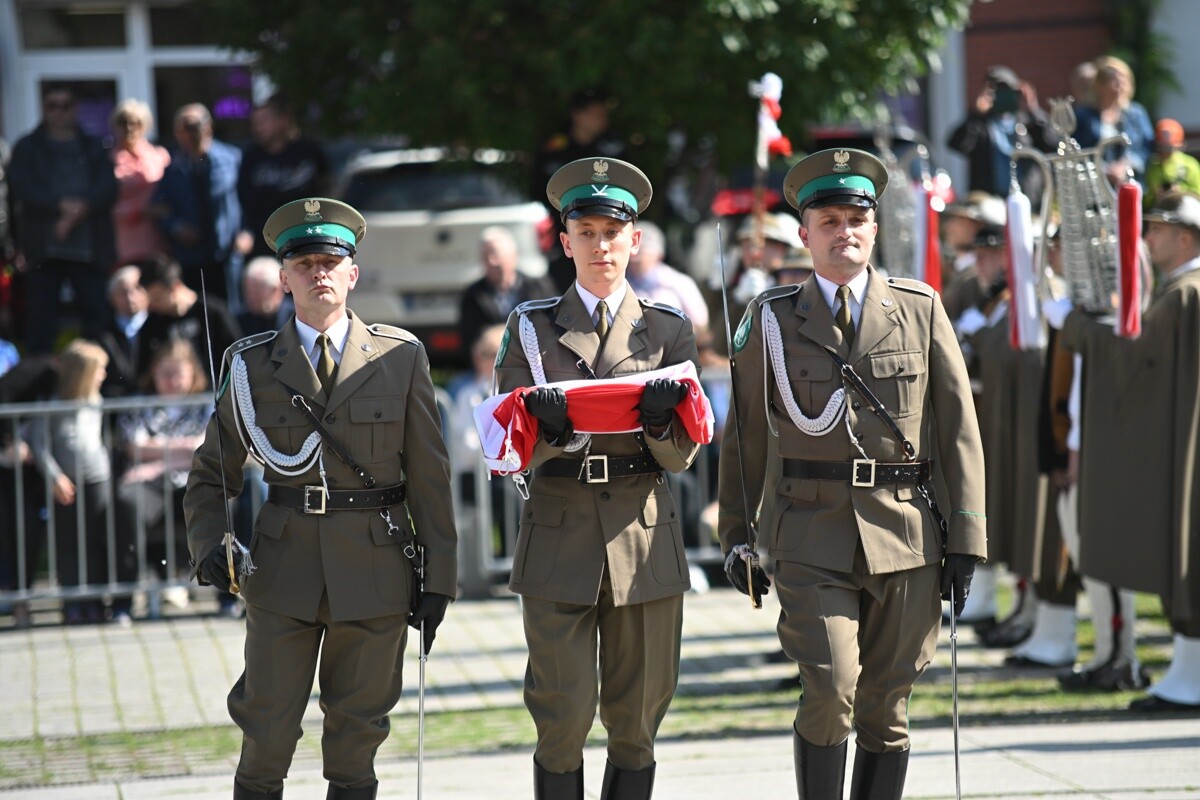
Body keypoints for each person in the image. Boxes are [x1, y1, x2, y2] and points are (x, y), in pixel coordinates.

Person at [716, 148, 986, 799]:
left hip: (905, 532)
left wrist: (967, 539)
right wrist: (735, 535)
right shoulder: (773, 320)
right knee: (831, 689)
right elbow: (745, 436)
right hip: (808, 532)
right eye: (829, 220)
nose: (844, 233)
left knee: (887, 709)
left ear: (874, 228)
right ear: (805, 233)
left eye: (855, 220)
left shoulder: (918, 309)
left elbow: (957, 430)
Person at [184, 196, 458, 799]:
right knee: (267, 729)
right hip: (284, 568)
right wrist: (209, 543)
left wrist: (440, 578)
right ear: (283, 277)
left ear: (353, 273)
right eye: (304, 263)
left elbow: (430, 479)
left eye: (331, 261)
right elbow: (210, 474)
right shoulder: (251, 365)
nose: (319, 273)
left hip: (376, 562)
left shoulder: (399, 356)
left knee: (357, 740)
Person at [493, 157, 703, 798]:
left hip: (641, 530)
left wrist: (666, 426)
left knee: (638, 718)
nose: (601, 245)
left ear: (634, 240)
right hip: (559, 526)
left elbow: (685, 455)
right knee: (561, 715)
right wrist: (552, 434)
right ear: (565, 242)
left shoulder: (666, 328)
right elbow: (505, 446)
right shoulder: (530, 328)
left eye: (614, 232)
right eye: (586, 232)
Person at [1059, 190, 1200, 712]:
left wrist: (1076, 327)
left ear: (1186, 238)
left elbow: (1134, 356)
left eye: (1158, 229)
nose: (1148, 238)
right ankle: (1187, 668)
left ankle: (1191, 675)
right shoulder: (1180, 290)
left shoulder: (1186, 293)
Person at [9, 83, 118, 354]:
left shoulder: (93, 145)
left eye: (65, 105)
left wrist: (76, 213)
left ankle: (101, 382)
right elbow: (22, 189)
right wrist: (60, 206)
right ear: (44, 110)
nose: (59, 112)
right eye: (53, 106)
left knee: (96, 317)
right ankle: (38, 386)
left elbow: (108, 188)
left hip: (89, 248)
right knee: (40, 320)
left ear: (75, 108)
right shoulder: (27, 146)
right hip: (44, 249)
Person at [113, 339, 212, 620]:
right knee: (126, 501)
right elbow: (133, 446)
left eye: (177, 373)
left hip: (194, 481)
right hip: (150, 488)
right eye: (164, 373)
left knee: (223, 502)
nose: (171, 380)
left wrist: (156, 460)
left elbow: (204, 449)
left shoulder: (205, 404)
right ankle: (124, 600)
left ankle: (228, 594)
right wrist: (184, 447)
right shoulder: (140, 404)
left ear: (192, 373)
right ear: (154, 374)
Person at [28, 340, 111, 625]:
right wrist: (55, 476)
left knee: (95, 540)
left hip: (97, 477)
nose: (103, 375)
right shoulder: (52, 403)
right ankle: (73, 602)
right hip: (66, 481)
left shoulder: (95, 400)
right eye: (99, 370)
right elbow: (40, 443)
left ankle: (96, 600)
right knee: (68, 543)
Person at [531, 89, 630, 291]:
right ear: (578, 115)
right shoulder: (556, 148)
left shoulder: (613, 147)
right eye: (595, 113)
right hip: (566, 229)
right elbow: (539, 189)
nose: (602, 119)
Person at [153, 103, 243, 305]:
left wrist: (245, 232)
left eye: (193, 126)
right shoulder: (173, 169)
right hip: (191, 255)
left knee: (232, 312)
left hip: (227, 253)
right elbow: (156, 208)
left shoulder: (231, 159)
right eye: (182, 128)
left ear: (208, 127)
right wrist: (176, 227)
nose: (189, 133)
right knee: (199, 310)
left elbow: (249, 200)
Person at [946, 65, 1058, 207]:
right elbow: (957, 144)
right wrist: (976, 115)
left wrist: (1034, 110)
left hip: (1027, 202)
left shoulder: (1028, 122)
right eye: (995, 91)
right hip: (989, 205)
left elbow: (1052, 144)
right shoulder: (980, 125)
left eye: (1006, 90)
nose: (1000, 95)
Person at [235, 93, 331, 260]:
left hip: (305, 238)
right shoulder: (251, 158)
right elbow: (243, 201)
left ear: (282, 121)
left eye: (263, 122)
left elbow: (328, 189)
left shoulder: (309, 152)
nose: (257, 128)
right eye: (255, 123)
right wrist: (245, 232)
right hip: (264, 241)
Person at [135, 253, 242, 384]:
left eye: (157, 297)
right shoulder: (152, 324)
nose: (153, 304)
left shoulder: (213, 312)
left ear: (175, 287)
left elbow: (237, 354)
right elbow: (143, 371)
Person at [458, 226, 555, 361]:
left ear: (513, 256)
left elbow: (551, 325)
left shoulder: (539, 287)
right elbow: (470, 339)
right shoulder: (473, 296)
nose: (492, 262)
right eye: (486, 256)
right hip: (492, 366)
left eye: (496, 254)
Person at [1073, 56, 1154, 186]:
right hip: (1095, 185)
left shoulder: (1136, 113)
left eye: (1124, 81)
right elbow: (1077, 151)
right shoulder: (1084, 116)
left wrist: (1126, 165)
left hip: (1130, 183)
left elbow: (1146, 147)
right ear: (1100, 85)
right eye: (1115, 81)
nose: (1120, 86)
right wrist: (1105, 170)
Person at [109, 98, 171, 265]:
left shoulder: (159, 155)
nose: (129, 128)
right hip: (124, 238)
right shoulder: (108, 160)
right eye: (123, 122)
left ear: (144, 125)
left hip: (157, 236)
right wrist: (141, 211)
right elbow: (105, 201)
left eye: (135, 123)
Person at [97, 264, 150, 398]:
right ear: (111, 297)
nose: (130, 297)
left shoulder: (160, 326)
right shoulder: (101, 334)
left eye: (137, 288)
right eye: (123, 292)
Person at [1143, 118, 1200, 210]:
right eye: (1161, 148)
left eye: (1169, 148)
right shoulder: (1152, 167)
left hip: (1185, 212)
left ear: (1181, 146)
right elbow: (1145, 201)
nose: (1165, 152)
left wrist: (1181, 192)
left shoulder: (1190, 165)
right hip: (1160, 212)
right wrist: (1156, 195)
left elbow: (1198, 194)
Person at [235, 255, 288, 336]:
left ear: (275, 289)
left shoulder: (297, 318)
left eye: (257, 290)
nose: (251, 296)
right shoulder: (238, 323)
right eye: (248, 290)